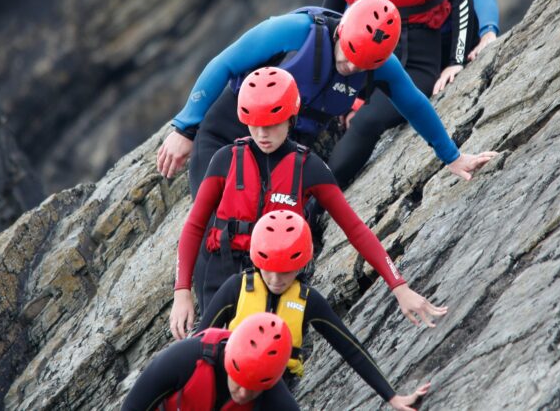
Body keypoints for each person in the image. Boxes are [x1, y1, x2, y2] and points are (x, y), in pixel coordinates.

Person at [169, 67, 447, 340]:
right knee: (213, 360)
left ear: (291, 119)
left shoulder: (309, 168)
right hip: (220, 273)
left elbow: (355, 229)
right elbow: (194, 226)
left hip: (278, 280)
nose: (262, 134)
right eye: (255, 124)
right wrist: (182, 293)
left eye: (272, 124)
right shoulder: (225, 159)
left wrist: (399, 286)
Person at [156, 0, 497, 193]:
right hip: (230, 127)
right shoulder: (297, 31)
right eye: (347, 54)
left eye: (359, 64)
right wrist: (185, 128)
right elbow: (224, 63)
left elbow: (415, 106)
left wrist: (453, 157)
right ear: (342, 31)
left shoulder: (381, 65)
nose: (349, 66)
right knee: (216, 216)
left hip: (285, 145)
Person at [323, 0, 480, 187]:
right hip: (366, 63)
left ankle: (317, 200)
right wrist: (346, 96)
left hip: (420, 61)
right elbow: (328, 29)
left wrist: (456, 61)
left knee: (369, 120)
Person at [197, 211, 433, 411]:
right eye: (269, 269)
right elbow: (199, 343)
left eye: (286, 271)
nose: (276, 279)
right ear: (257, 259)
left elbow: (350, 348)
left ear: (301, 265)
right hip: (230, 379)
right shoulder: (236, 288)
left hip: (273, 390)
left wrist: (393, 397)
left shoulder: (308, 300)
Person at [119, 312, 298, 410]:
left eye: (253, 389)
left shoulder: (278, 400)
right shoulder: (184, 358)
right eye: (239, 380)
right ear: (228, 358)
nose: (243, 394)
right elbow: (132, 407)